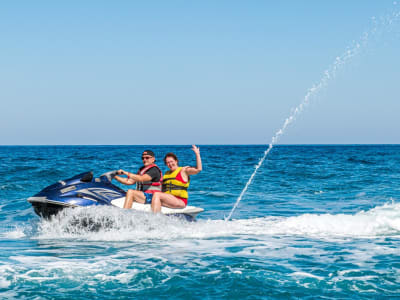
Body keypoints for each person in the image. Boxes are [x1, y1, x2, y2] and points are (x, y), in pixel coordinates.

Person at [151, 145, 202, 213]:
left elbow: (198, 169)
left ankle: (154, 219)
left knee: (157, 194)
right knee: (152, 196)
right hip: (168, 199)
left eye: (171, 161)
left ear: (176, 161)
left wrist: (197, 154)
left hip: (180, 201)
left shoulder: (183, 171)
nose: (170, 164)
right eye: (167, 163)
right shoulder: (167, 173)